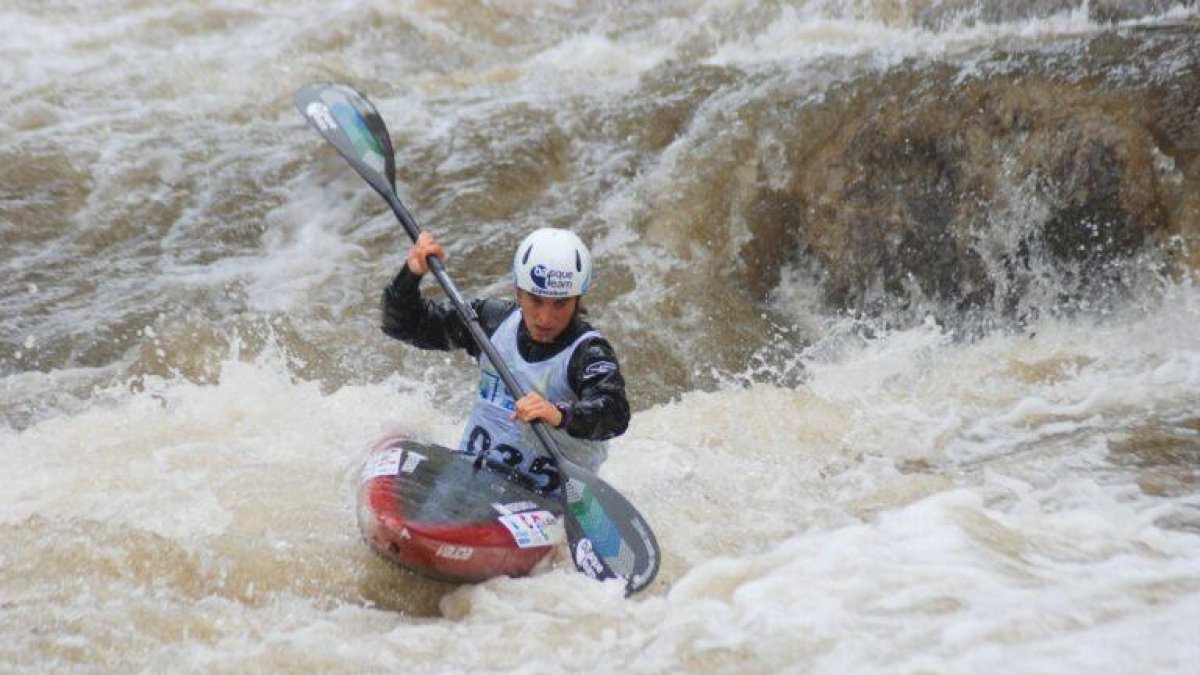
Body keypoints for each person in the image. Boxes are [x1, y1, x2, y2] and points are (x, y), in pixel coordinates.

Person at [381, 227, 630, 492]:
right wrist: (410, 275)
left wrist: (560, 414)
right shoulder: (489, 322)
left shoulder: (589, 353)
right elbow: (403, 326)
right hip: (474, 480)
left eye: (560, 304)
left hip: (546, 501)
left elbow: (614, 413)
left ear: (577, 300)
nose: (545, 318)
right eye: (535, 300)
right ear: (519, 292)